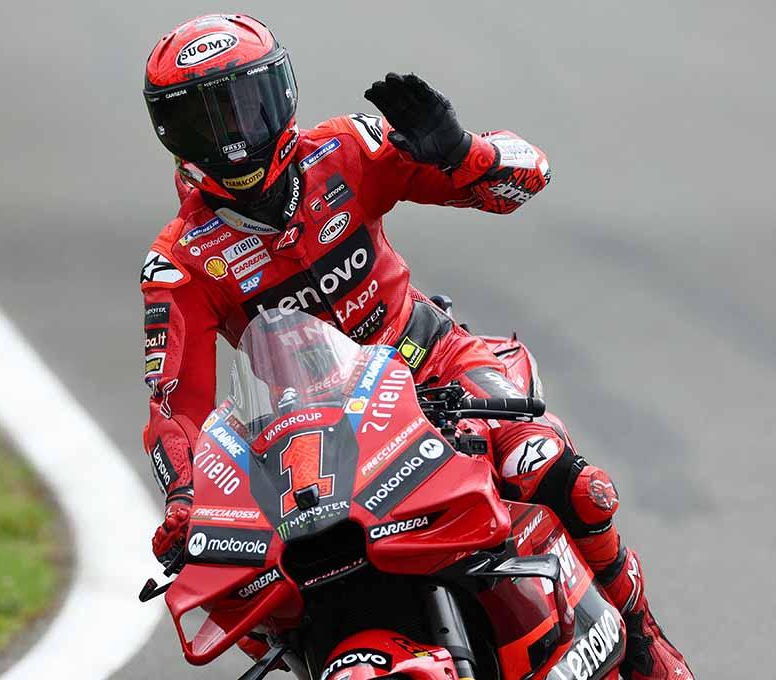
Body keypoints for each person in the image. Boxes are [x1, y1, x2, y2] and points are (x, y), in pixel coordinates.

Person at [139, 14, 692, 679]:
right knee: (258, 601)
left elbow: (525, 178)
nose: (235, 137)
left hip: (434, 370)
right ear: (174, 133)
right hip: (306, 440)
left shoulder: (346, 150)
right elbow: (175, 410)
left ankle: (640, 636)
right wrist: (183, 501)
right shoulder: (179, 264)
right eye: (209, 121)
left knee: (556, 470)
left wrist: (463, 152)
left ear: (280, 94)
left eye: (246, 109)